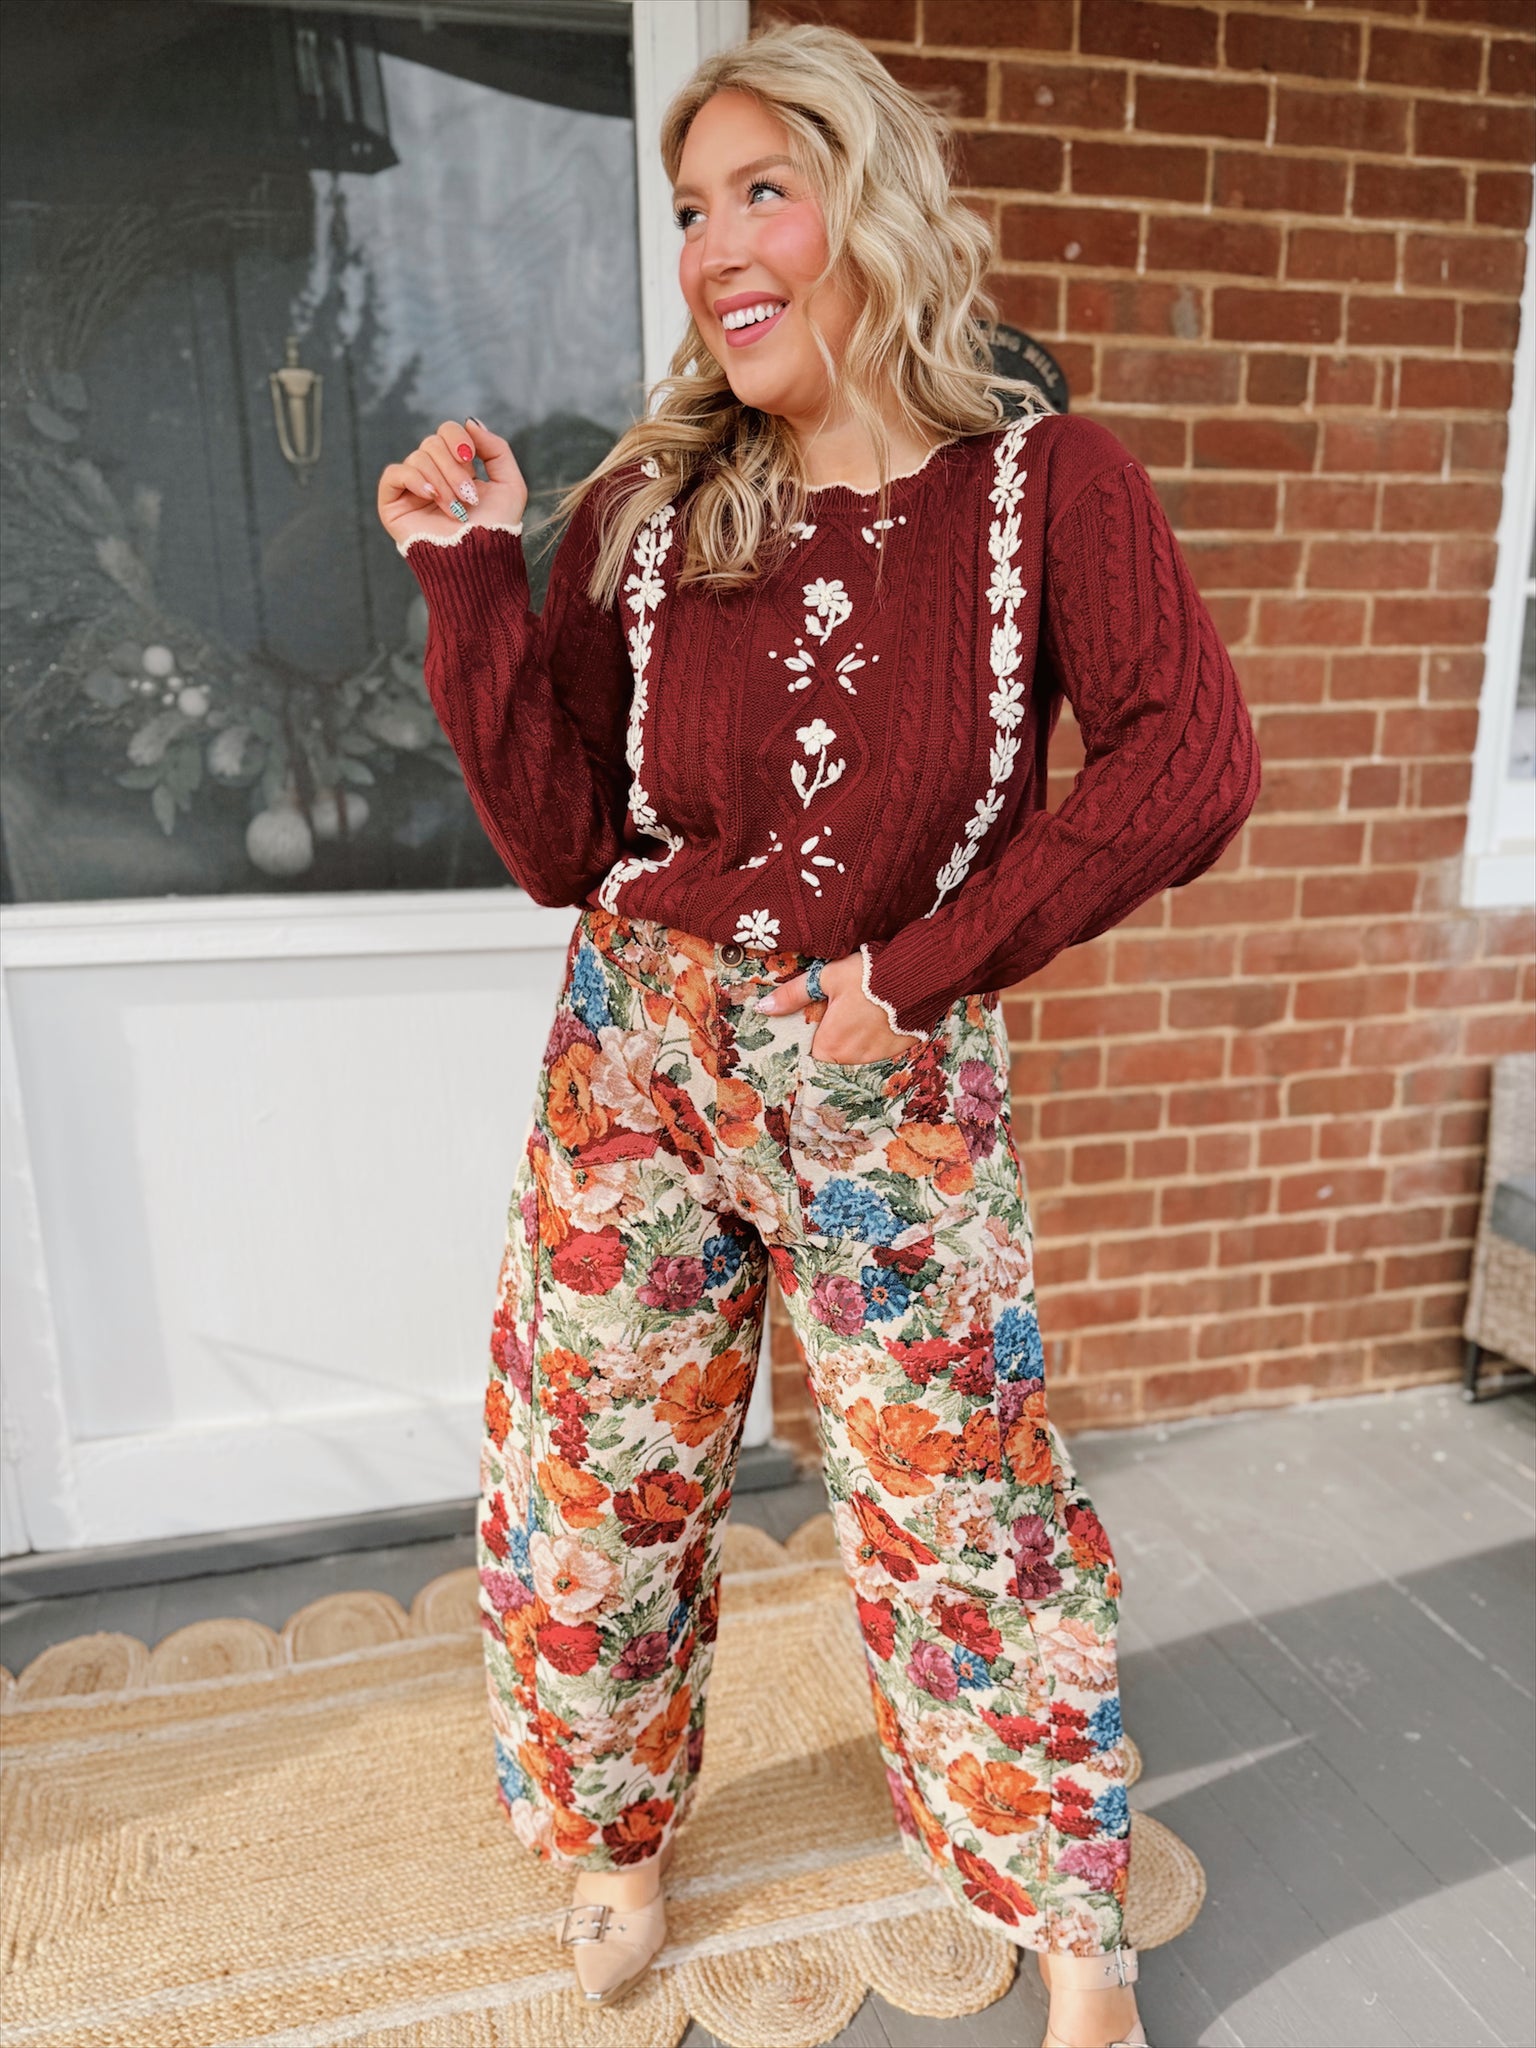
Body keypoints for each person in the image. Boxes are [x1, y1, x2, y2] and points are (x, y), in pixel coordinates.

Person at [375, 22, 1258, 2048]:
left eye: (762, 191)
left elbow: (1189, 763)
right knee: (597, 1480)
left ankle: (1073, 1927)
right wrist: (471, 582)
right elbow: (560, 842)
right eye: (693, 208)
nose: (714, 247)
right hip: (641, 1064)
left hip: (884, 1067)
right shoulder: (654, 503)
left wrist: (924, 970)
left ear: (873, 204)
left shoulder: (1046, 488)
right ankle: (617, 1845)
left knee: (966, 1504)